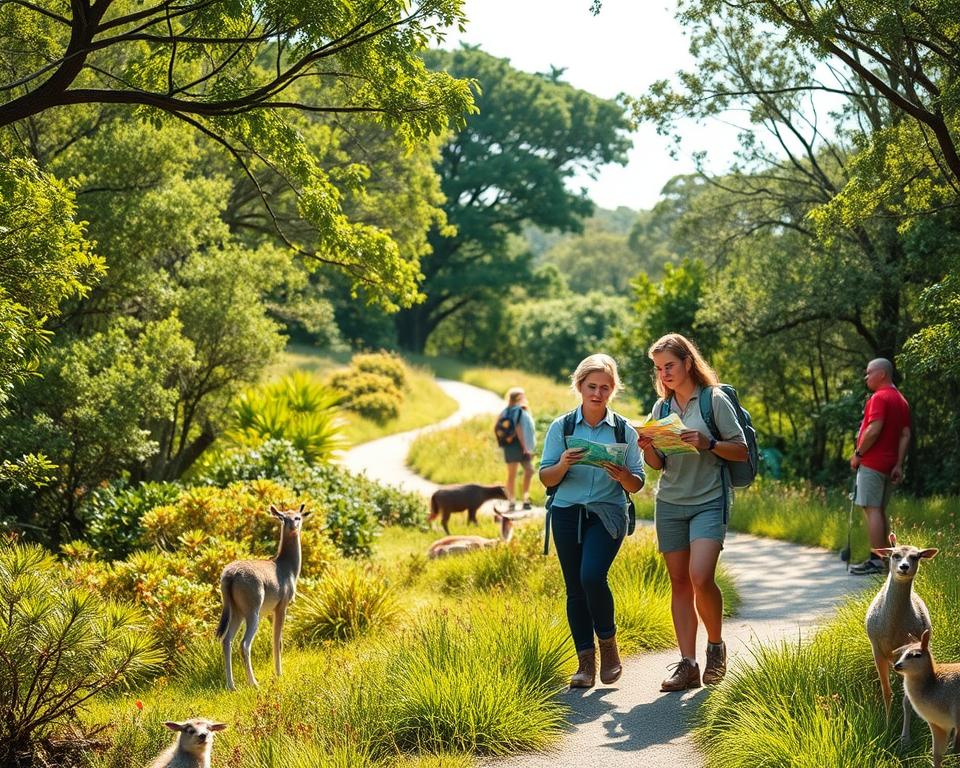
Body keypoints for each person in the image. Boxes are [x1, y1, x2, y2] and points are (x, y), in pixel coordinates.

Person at [637, 333, 747, 692]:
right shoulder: (661, 409)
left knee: (700, 576)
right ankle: (688, 665)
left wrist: (709, 443)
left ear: (687, 362)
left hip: (708, 499)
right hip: (670, 501)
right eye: (658, 368)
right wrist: (648, 447)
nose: (664, 373)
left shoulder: (713, 400)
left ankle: (715, 646)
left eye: (669, 365)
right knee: (680, 582)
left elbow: (740, 450)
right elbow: (657, 465)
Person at [539, 354, 645, 689]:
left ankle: (609, 645)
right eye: (591, 386)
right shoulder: (563, 427)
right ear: (579, 386)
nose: (597, 393)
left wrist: (623, 474)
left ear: (613, 390)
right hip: (567, 512)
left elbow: (637, 483)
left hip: (608, 512)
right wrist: (564, 464)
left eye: (605, 387)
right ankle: (585, 663)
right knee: (574, 589)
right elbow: (546, 478)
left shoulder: (624, 430)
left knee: (592, 576)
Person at [848, 358, 911, 576]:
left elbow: (874, 429)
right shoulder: (901, 400)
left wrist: (858, 454)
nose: (866, 377)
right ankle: (886, 560)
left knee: (871, 509)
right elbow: (905, 434)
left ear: (881, 374)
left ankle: (876, 560)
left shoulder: (879, 397)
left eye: (869, 372)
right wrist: (899, 464)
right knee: (880, 510)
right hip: (889, 464)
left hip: (872, 462)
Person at [500, 387, 536, 511]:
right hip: (519, 446)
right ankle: (519, 500)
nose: (525, 398)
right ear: (518, 398)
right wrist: (526, 448)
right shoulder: (519, 411)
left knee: (519, 473)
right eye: (522, 396)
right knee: (525, 471)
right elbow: (519, 430)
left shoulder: (505, 411)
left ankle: (516, 500)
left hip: (510, 446)